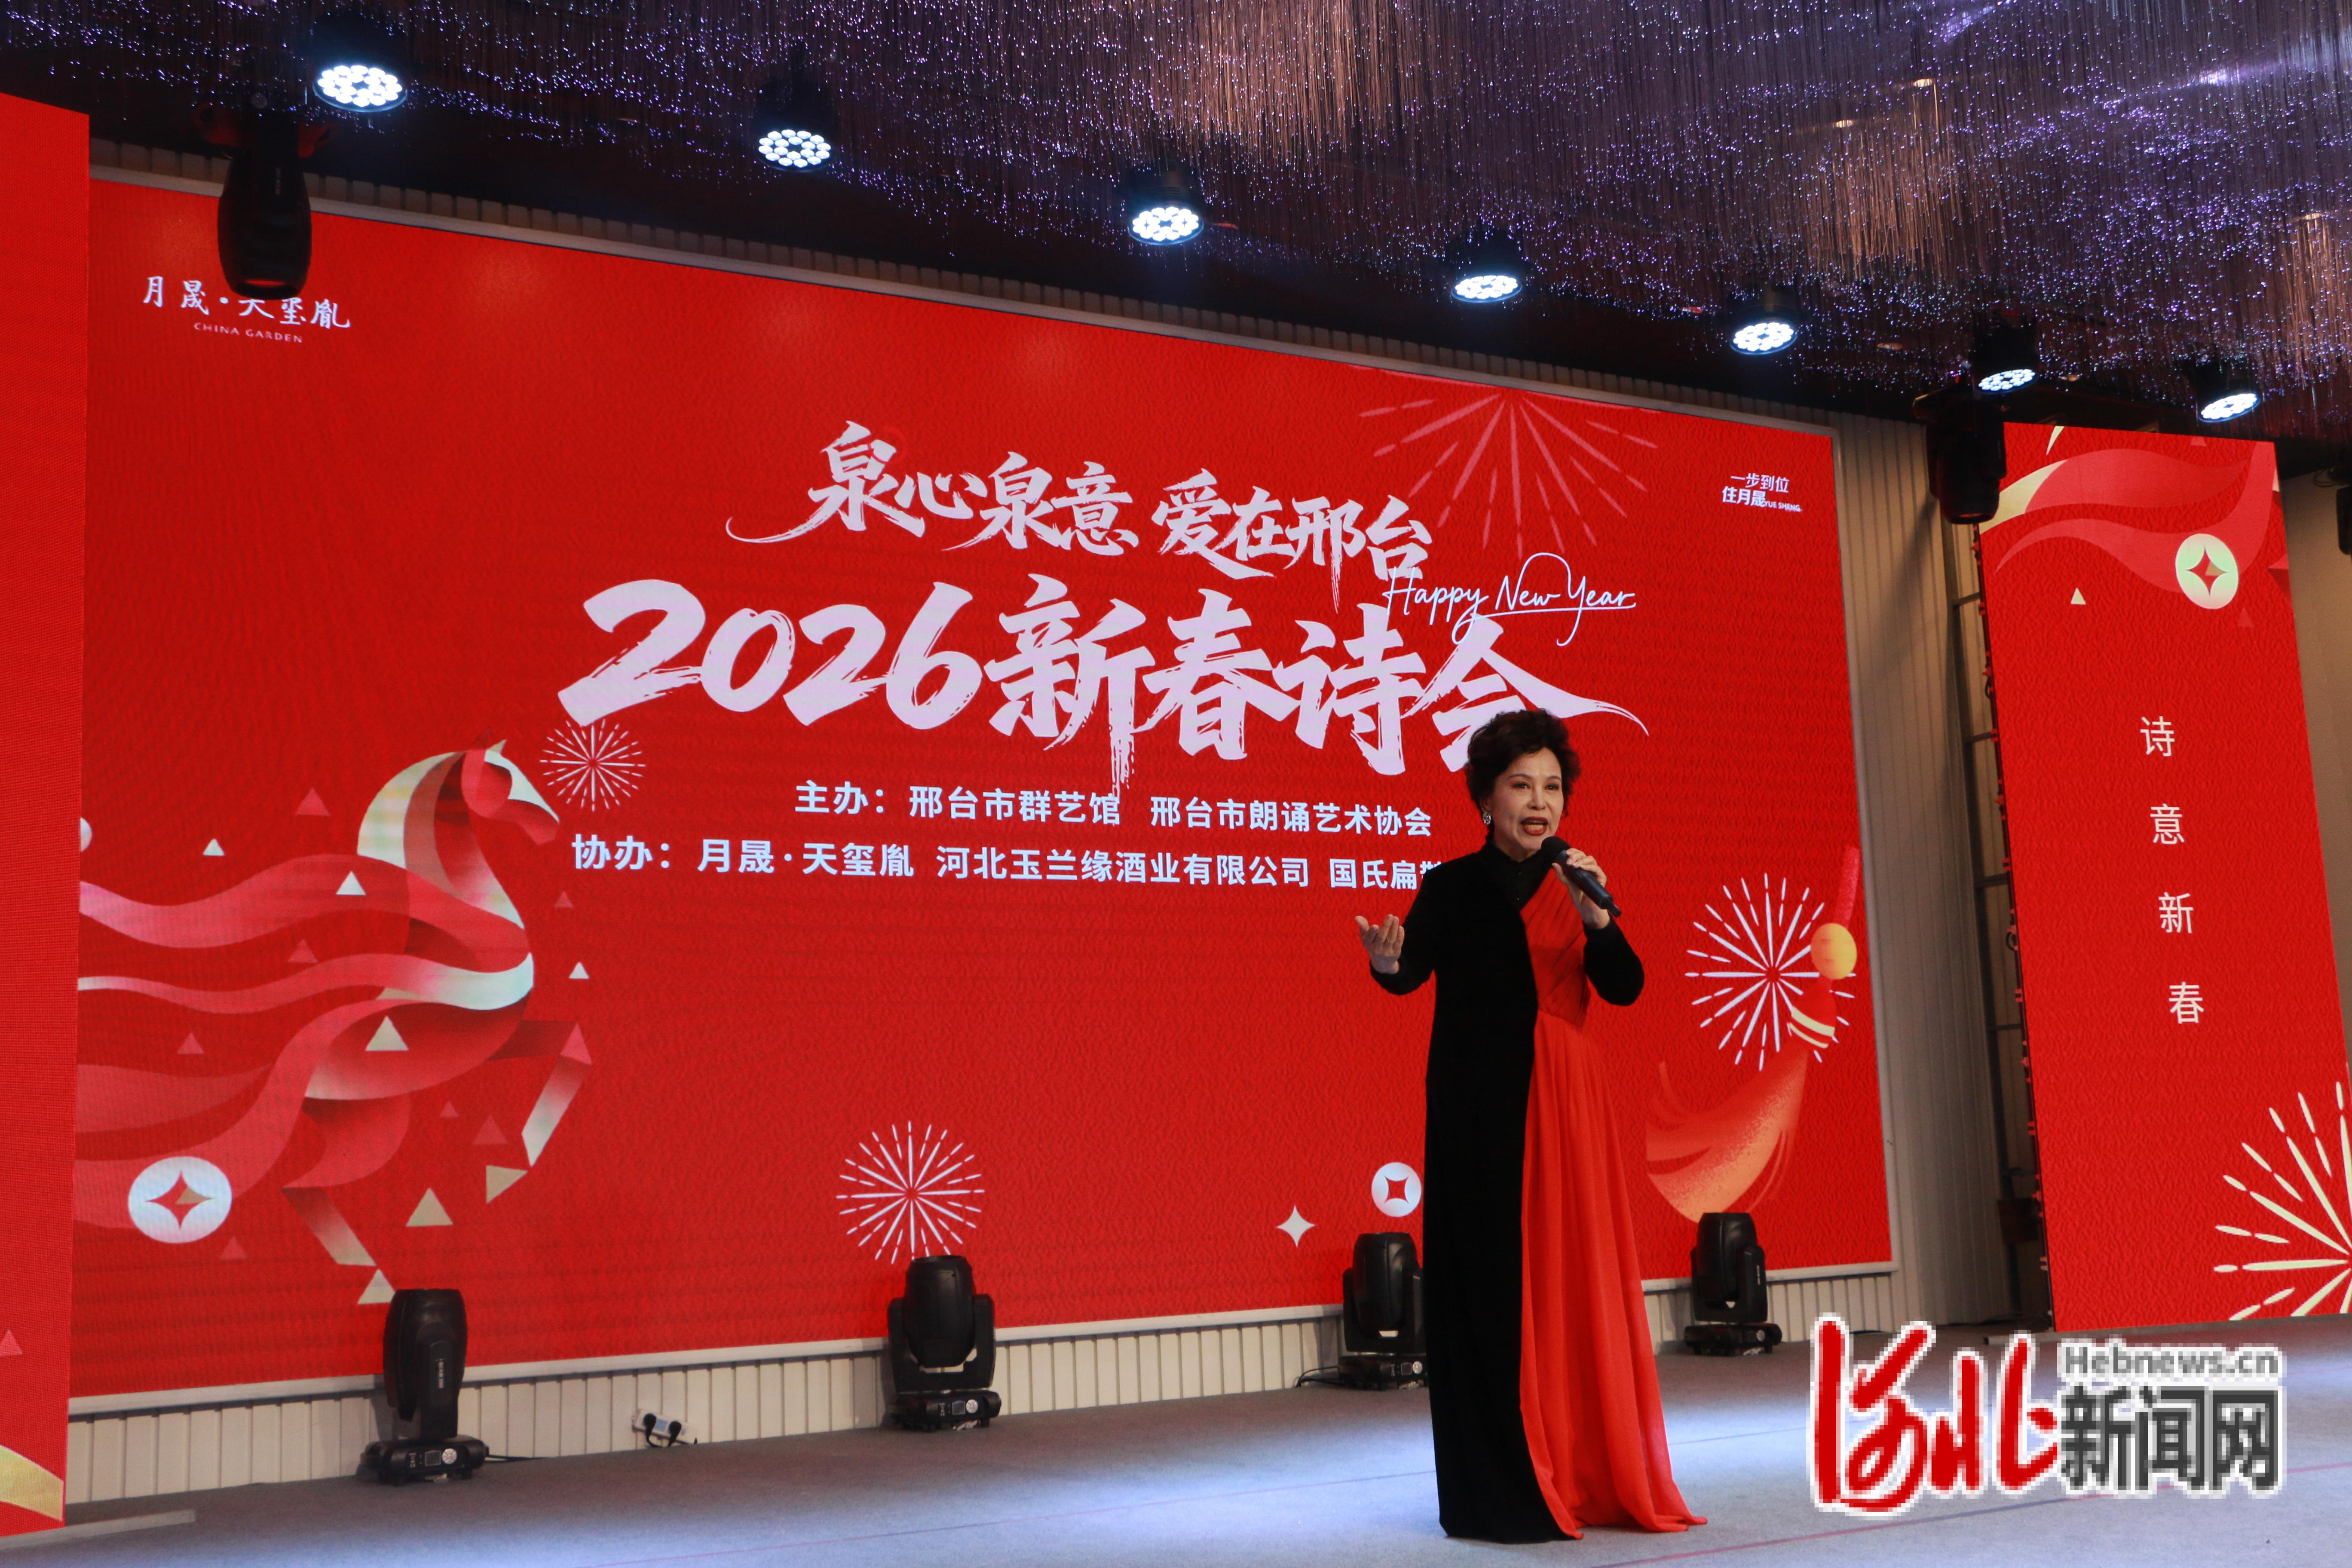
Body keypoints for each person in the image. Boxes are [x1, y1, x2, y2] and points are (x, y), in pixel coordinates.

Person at [1353, 707, 1703, 1542]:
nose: (1539, 802)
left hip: (1565, 1104)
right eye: (1521, 786)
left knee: (1569, 1280)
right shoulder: (1449, 886)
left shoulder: (1578, 882)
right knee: (1486, 1286)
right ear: (1486, 799)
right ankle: (1499, 1486)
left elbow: (1625, 987)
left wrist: (1600, 921)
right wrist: (1385, 961)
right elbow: (1408, 973)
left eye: (1552, 787)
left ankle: (1583, 1466)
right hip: (1476, 1108)